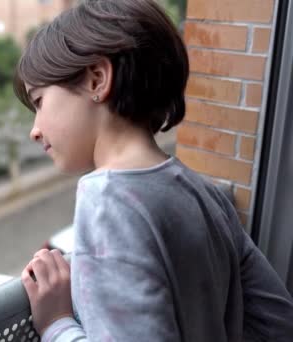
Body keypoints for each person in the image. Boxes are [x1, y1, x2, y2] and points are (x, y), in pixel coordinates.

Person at [15, 0, 293, 341]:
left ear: (97, 80)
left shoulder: (107, 201)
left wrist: (57, 324)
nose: (35, 129)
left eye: (39, 102)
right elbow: (277, 321)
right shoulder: (202, 192)